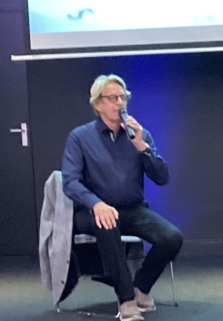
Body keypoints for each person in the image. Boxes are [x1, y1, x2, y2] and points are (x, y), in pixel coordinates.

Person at [62, 74, 184, 321]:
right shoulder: (80, 137)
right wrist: (96, 203)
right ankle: (126, 300)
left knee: (172, 238)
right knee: (107, 223)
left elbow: (162, 178)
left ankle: (140, 288)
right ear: (98, 104)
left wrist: (143, 148)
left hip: (132, 209)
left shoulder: (139, 135)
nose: (120, 103)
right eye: (113, 98)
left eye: (123, 97)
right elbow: (70, 181)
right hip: (92, 210)